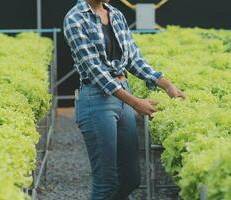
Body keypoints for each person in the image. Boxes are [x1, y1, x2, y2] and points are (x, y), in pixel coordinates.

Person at [63, 0, 185, 199]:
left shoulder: (116, 15)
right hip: (97, 100)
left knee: (131, 179)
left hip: (122, 96)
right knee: (106, 182)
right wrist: (136, 103)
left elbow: (134, 59)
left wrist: (167, 85)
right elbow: (96, 72)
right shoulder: (75, 18)